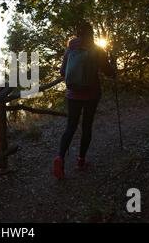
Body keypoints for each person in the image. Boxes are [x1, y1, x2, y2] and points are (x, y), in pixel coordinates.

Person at [53, 21, 115, 180]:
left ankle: (60, 158)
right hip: (91, 95)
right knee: (87, 126)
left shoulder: (70, 48)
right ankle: (81, 161)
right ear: (91, 33)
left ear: (77, 33)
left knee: (70, 127)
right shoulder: (97, 50)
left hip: (72, 95)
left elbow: (62, 72)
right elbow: (109, 72)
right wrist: (112, 65)